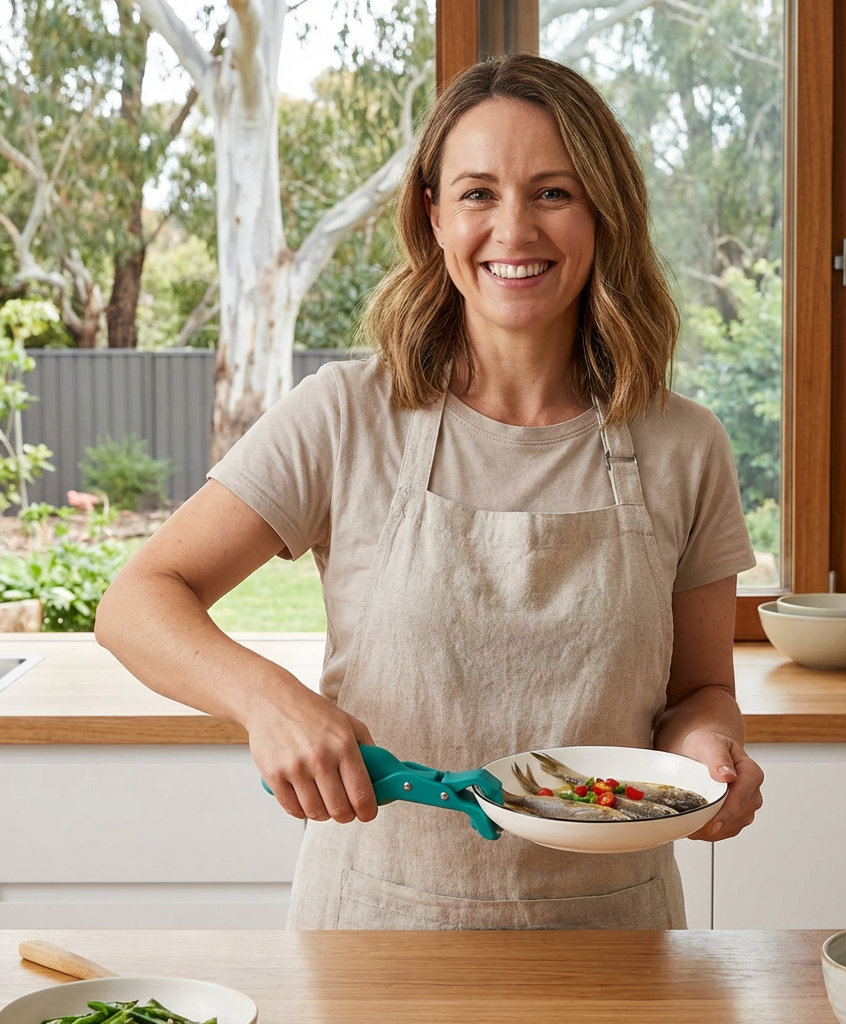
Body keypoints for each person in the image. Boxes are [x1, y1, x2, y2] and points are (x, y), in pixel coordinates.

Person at [96, 52, 764, 931]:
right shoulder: (345, 415)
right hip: (376, 932)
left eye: (553, 192)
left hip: (617, 939)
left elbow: (700, 691)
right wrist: (269, 700)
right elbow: (137, 601)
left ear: (604, 212)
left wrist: (703, 758)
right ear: (434, 215)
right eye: (479, 193)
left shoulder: (685, 444)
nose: (514, 229)